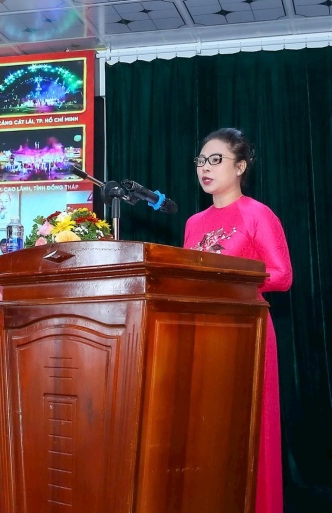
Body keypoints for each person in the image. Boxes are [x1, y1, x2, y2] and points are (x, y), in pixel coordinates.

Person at [184, 128, 292, 513]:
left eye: (216, 160)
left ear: (241, 167)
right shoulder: (193, 222)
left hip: (247, 332)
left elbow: (282, 275)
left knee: (248, 430)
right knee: (206, 431)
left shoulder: (258, 214)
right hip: (201, 334)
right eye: (201, 160)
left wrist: (229, 278)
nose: (205, 168)